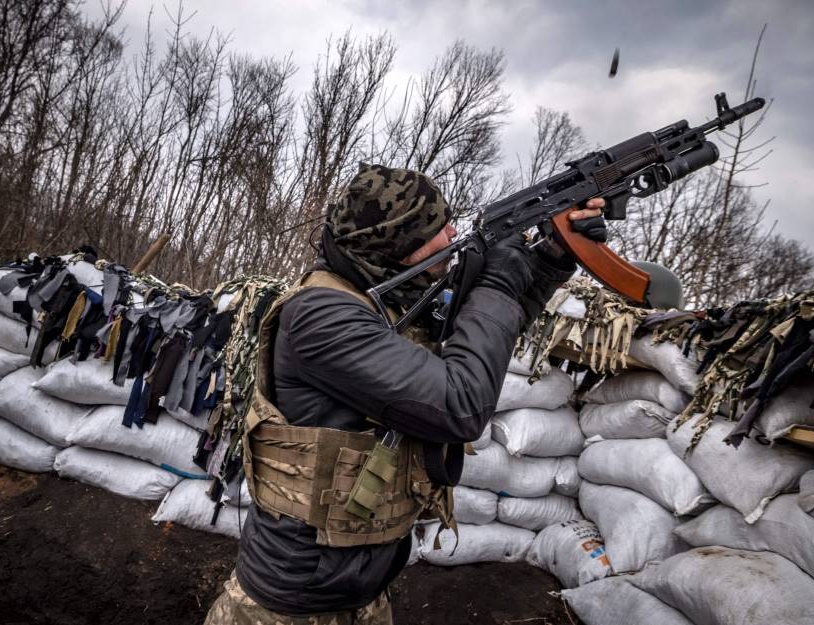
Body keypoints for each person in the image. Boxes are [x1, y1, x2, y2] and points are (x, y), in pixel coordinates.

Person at [205, 164, 605, 625]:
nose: (454, 233)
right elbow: (461, 404)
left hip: (365, 596)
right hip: (287, 609)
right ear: (397, 245)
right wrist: (497, 282)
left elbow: (489, 336)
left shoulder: (388, 303)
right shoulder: (320, 314)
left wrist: (550, 258)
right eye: (437, 228)